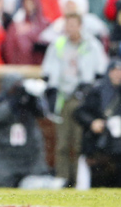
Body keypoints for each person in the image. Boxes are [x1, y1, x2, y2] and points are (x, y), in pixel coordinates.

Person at [42, 13, 108, 186]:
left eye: (73, 24)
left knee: (80, 142)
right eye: (68, 25)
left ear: (80, 25)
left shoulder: (91, 45)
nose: (70, 28)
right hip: (63, 97)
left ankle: (80, 180)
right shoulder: (58, 44)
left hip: (82, 99)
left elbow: (100, 71)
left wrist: (89, 92)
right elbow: (48, 71)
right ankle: (63, 179)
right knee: (62, 143)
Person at [0, 74, 49, 187]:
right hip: (7, 157)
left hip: (31, 156)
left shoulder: (28, 99)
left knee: (39, 185)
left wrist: (33, 98)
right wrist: (15, 100)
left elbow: (43, 112)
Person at [74, 58, 121, 188]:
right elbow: (79, 112)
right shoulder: (97, 91)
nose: (118, 74)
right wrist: (93, 122)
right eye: (115, 71)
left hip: (118, 146)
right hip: (100, 145)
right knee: (99, 182)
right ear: (109, 72)